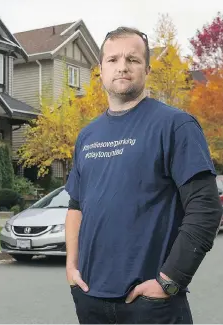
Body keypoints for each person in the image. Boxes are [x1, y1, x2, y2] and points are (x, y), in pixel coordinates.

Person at [65, 26, 222, 324]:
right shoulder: (87, 136)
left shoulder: (175, 125)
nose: (122, 66)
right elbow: (76, 206)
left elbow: (205, 208)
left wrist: (169, 281)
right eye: (112, 60)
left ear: (147, 69)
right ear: (100, 69)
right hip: (90, 300)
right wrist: (72, 267)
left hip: (151, 305)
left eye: (132, 59)